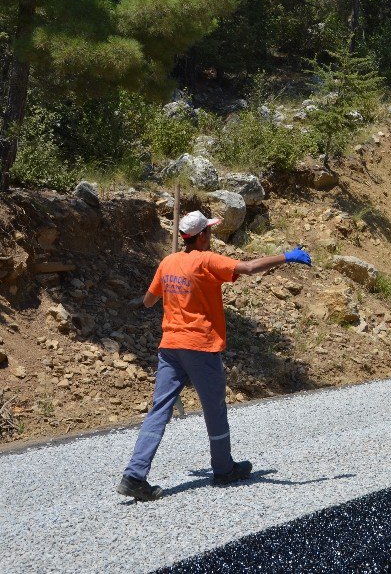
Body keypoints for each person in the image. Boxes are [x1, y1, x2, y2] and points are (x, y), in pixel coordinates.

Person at [117, 210, 312, 502]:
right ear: (202, 236)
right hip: (199, 346)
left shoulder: (168, 262)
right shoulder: (207, 260)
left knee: (159, 410)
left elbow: (148, 301)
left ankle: (134, 475)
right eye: (209, 231)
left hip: (170, 346)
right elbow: (247, 268)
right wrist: (286, 256)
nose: (211, 236)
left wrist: (173, 290)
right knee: (215, 409)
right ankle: (223, 469)